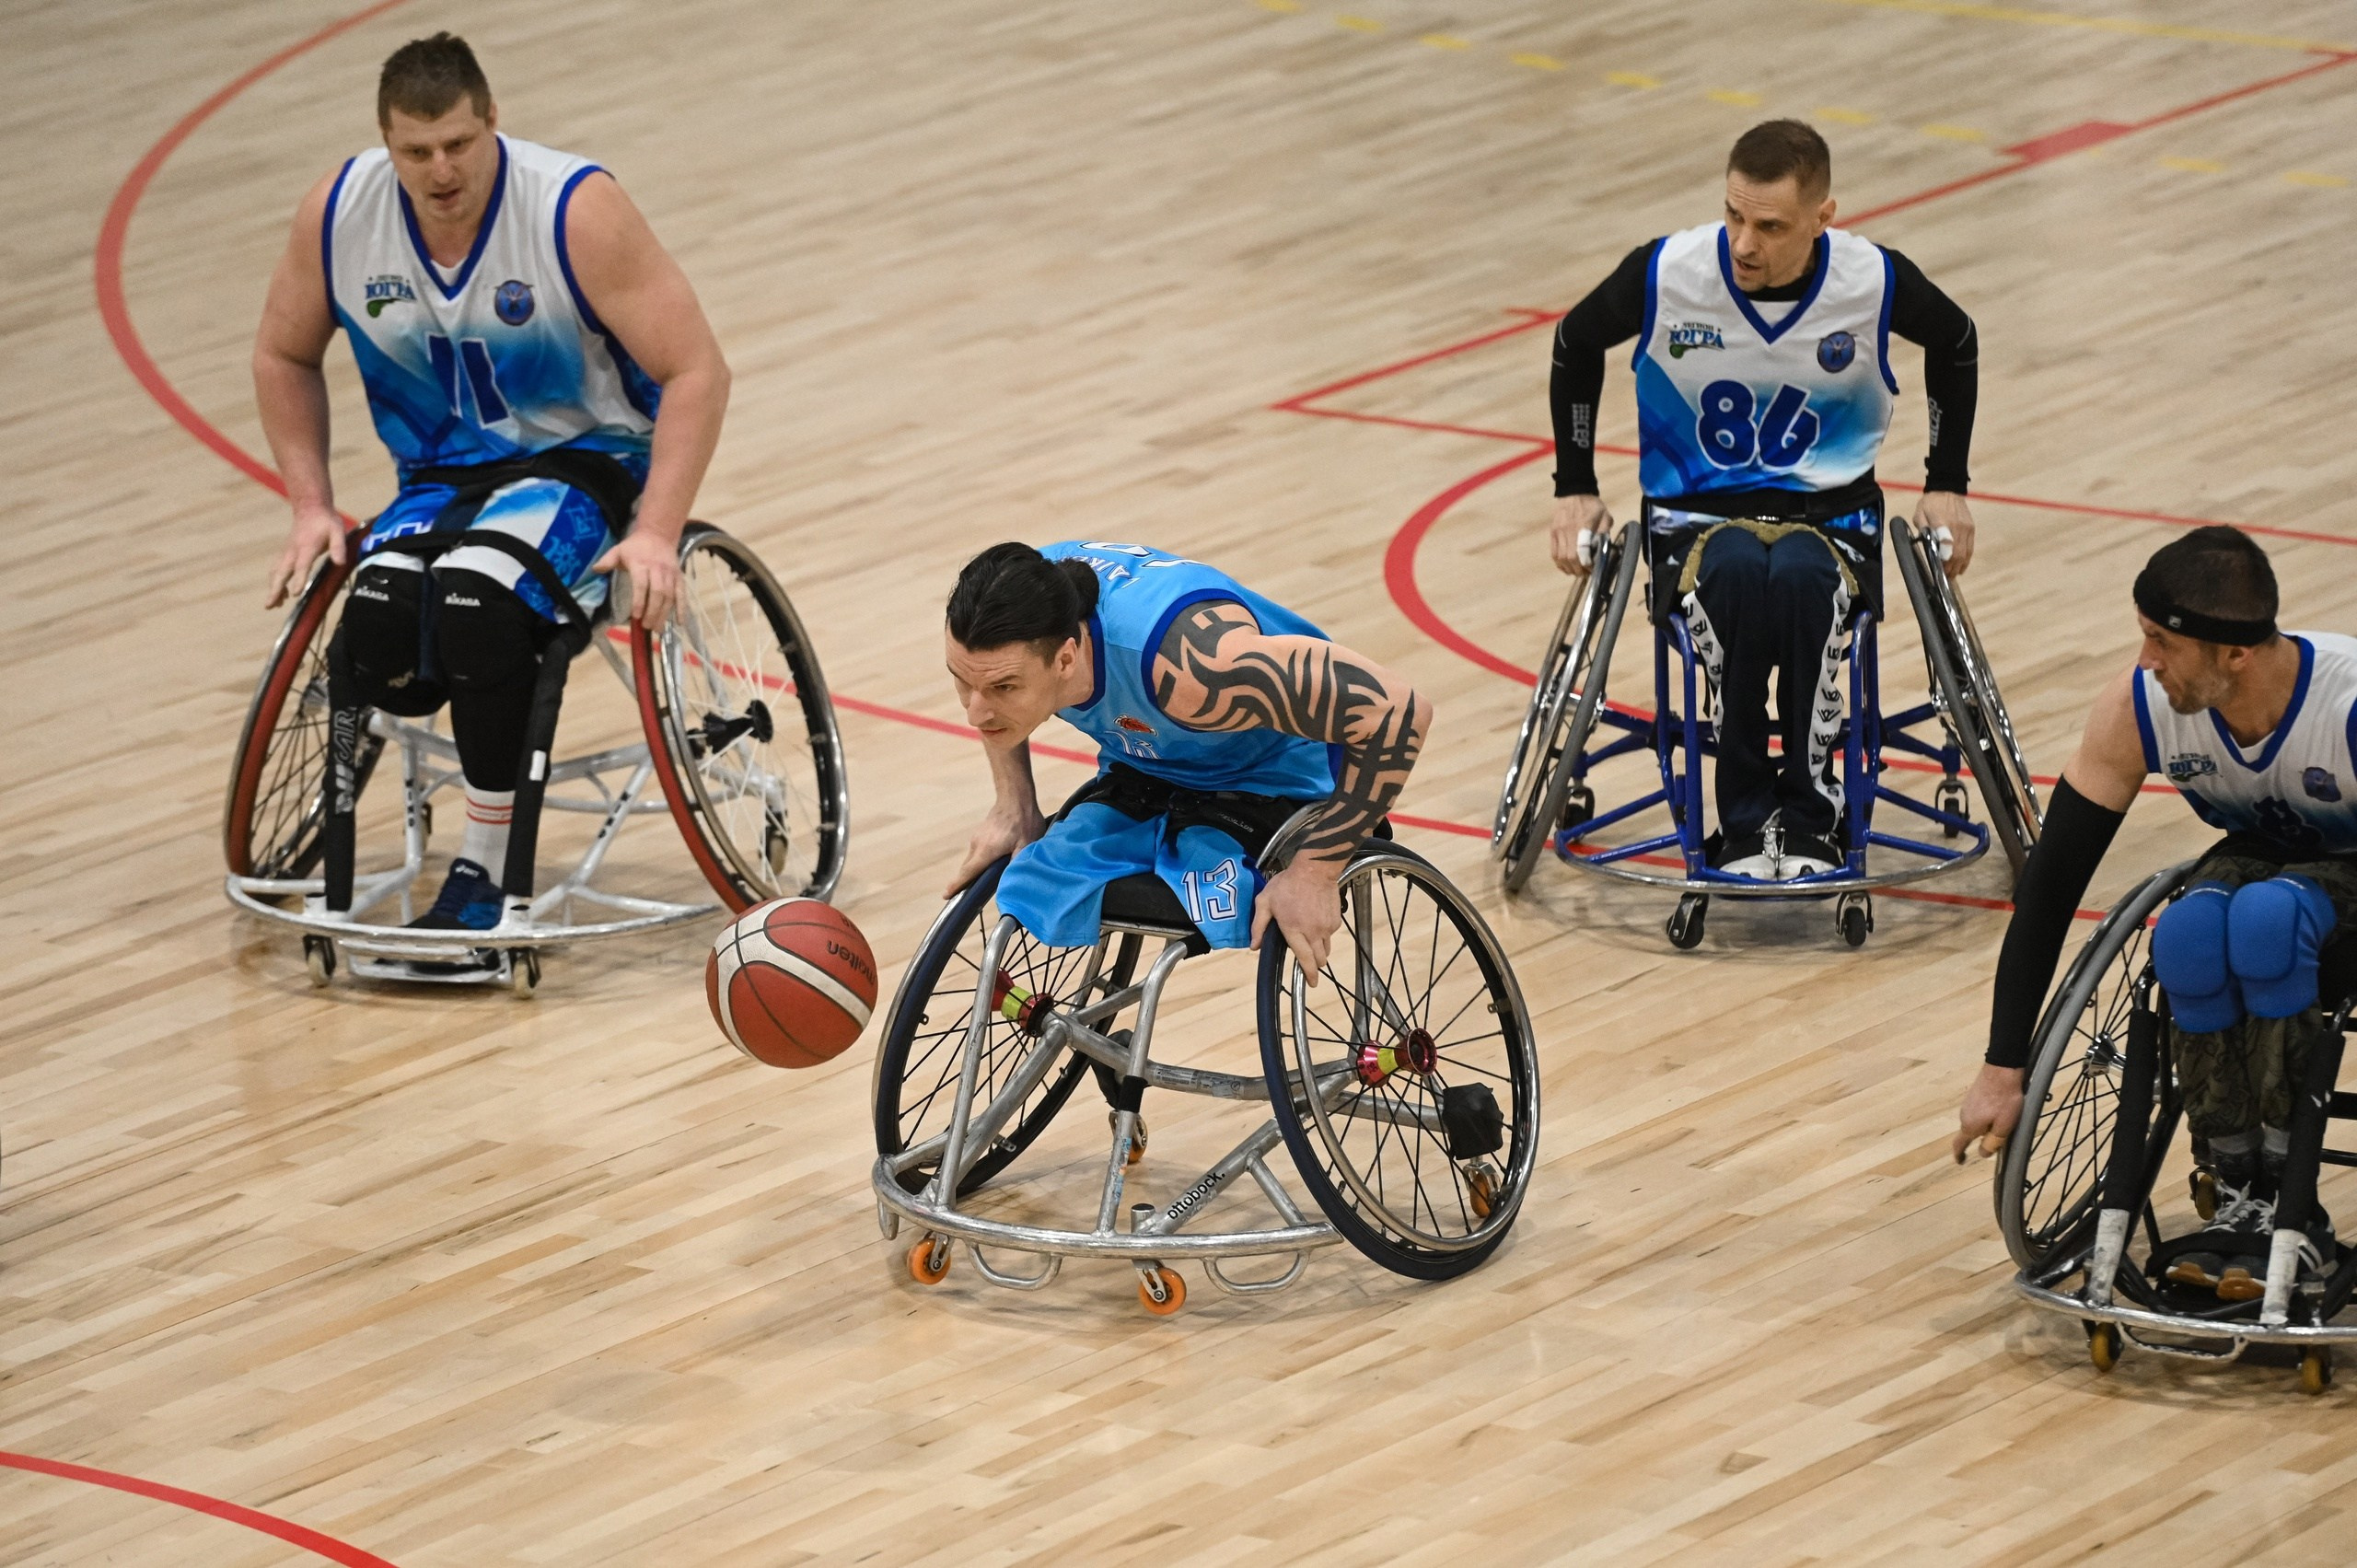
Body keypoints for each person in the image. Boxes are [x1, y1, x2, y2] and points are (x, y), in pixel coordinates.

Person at [251, 32, 729, 929]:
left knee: (477, 601)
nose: (440, 170)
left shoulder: (574, 210)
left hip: (587, 460)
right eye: (416, 151)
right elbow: (282, 353)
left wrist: (658, 528)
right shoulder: (339, 215)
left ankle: (479, 867)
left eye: (459, 145)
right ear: (385, 143)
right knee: (382, 607)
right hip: (438, 479)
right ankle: (350, 861)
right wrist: (310, 504)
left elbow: (697, 369)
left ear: (493, 124)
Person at [1547, 119, 1981, 877]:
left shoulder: (1871, 280)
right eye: (1734, 215)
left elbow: (1957, 342)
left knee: (1806, 578)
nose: (1745, 242)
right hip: (1698, 519)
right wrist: (1574, 487)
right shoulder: (1668, 272)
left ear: (1823, 219)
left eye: (1770, 225)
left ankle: (1813, 815)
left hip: (1831, 518)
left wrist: (1947, 482)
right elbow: (1574, 343)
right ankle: (1745, 818)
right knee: (1743, 572)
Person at [1956, 527, 2357, 1297]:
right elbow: (2051, 885)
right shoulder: (2140, 707)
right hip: (2263, 859)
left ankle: (2292, 1198)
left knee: (2269, 921)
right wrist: (2004, 1062)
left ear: (2234, 654)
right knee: (2187, 932)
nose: (2146, 660)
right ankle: (2238, 1187)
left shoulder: (2342, 710)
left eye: (2162, 641)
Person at [942, 541, 1428, 977]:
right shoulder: (1012, 605)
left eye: (1003, 687)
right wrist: (1015, 803)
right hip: (1152, 764)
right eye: (962, 680)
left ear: (1067, 658)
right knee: (1037, 876)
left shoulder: (1199, 667)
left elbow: (1399, 712)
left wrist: (1316, 871)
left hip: (1281, 776)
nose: (974, 711)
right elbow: (986, 691)